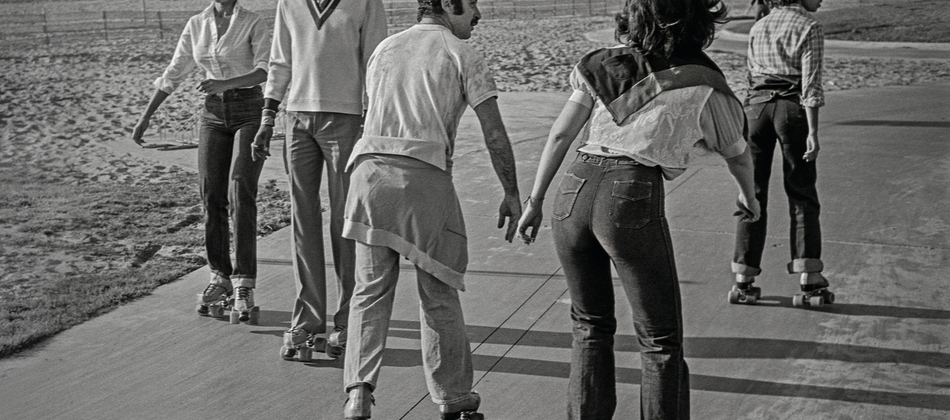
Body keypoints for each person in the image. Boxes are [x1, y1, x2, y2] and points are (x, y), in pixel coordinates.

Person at [516, 0, 760, 418]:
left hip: (573, 188)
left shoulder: (603, 65)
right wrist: (749, 197)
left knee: (589, 326)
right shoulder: (703, 80)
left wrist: (534, 201)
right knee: (660, 339)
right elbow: (737, 153)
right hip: (629, 192)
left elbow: (560, 135)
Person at [338, 0, 522, 418]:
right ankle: (453, 397)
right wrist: (512, 192)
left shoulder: (385, 48)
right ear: (448, 4)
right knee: (438, 294)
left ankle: (358, 394)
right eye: (472, 3)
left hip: (369, 176)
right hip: (423, 178)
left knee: (369, 291)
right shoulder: (462, 53)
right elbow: (494, 133)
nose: (478, 13)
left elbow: (373, 114)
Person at [252, 0, 387, 360]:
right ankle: (307, 322)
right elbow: (281, 60)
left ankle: (348, 321)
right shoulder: (289, 2)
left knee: (346, 220)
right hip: (297, 117)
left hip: (347, 118)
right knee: (303, 220)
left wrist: (372, 118)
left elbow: (375, 61)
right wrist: (268, 117)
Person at [132, 0, 271, 324]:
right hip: (212, 114)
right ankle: (219, 277)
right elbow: (175, 70)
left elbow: (264, 70)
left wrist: (226, 84)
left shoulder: (253, 22)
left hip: (250, 110)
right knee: (211, 195)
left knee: (240, 190)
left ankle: (244, 283)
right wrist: (146, 115)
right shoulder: (197, 23)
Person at [731, 0, 834, 308]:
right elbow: (811, 86)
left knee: (752, 191)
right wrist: (813, 132)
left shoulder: (759, 25)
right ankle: (809, 276)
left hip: (756, 110)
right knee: (801, 192)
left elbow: (750, 76)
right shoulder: (810, 27)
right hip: (791, 110)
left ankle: (743, 277)